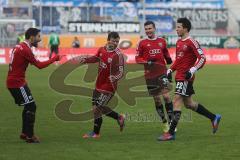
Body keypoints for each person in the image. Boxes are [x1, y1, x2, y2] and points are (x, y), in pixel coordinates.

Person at [158, 18, 221, 141]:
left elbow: (202, 58)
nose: (176, 29)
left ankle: (171, 133)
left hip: (185, 78)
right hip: (179, 77)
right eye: (176, 27)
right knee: (189, 104)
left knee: (176, 101)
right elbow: (178, 60)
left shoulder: (192, 42)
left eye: (178, 27)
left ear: (185, 28)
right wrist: (170, 70)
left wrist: (192, 70)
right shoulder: (178, 42)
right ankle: (214, 117)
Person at [6, 28, 64, 143]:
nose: (40, 39)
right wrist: (55, 58)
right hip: (17, 83)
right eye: (38, 37)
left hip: (15, 82)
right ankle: (30, 136)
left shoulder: (19, 46)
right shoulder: (25, 50)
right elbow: (39, 65)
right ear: (31, 37)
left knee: (28, 106)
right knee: (31, 106)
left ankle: (25, 133)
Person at [73, 32, 125, 138]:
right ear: (108, 40)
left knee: (98, 108)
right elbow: (96, 58)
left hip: (109, 86)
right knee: (95, 109)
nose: (115, 43)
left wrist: (114, 77)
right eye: (113, 40)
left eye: (117, 41)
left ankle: (96, 133)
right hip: (98, 84)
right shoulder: (102, 49)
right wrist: (85, 60)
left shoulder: (118, 55)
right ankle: (119, 117)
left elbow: (121, 71)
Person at [135, 21, 173, 133]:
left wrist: (169, 60)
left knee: (166, 96)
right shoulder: (142, 43)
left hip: (162, 73)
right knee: (157, 100)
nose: (148, 31)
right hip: (149, 76)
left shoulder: (162, 41)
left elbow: (166, 54)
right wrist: (148, 62)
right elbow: (138, 59)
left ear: (154, 28)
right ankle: (164, 122)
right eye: (146, 29)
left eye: (150, 28)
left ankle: (172, 123)